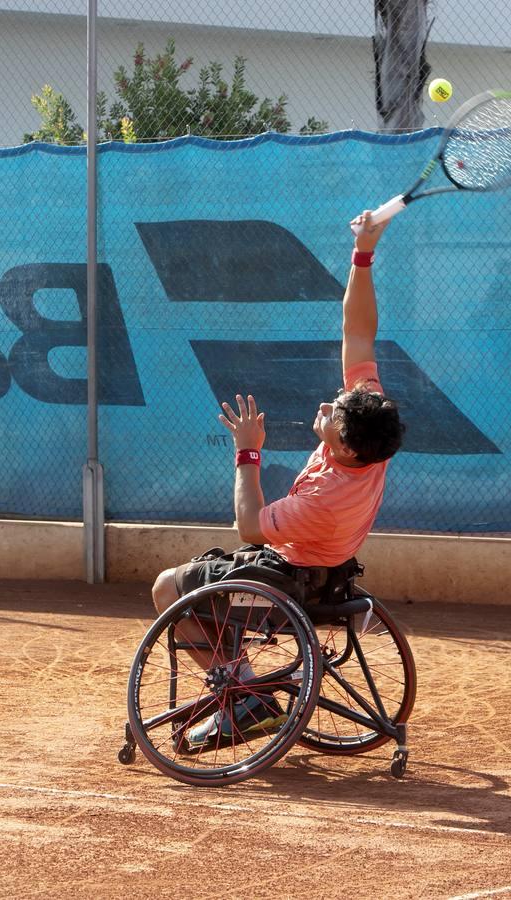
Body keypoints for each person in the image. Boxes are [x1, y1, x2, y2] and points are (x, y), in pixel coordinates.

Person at [150, 210, 405, 752]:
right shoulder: (370, 441)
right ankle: (246, 682)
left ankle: (248, 695)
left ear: (346, 447)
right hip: (330, 574)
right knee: (206, 581)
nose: (329, 404)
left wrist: (248, 453)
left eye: (334, 413)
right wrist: (363, 254)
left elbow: (248, 528)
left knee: (169, 587)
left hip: (289, 582)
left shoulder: (323, 497)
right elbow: (358, 332)